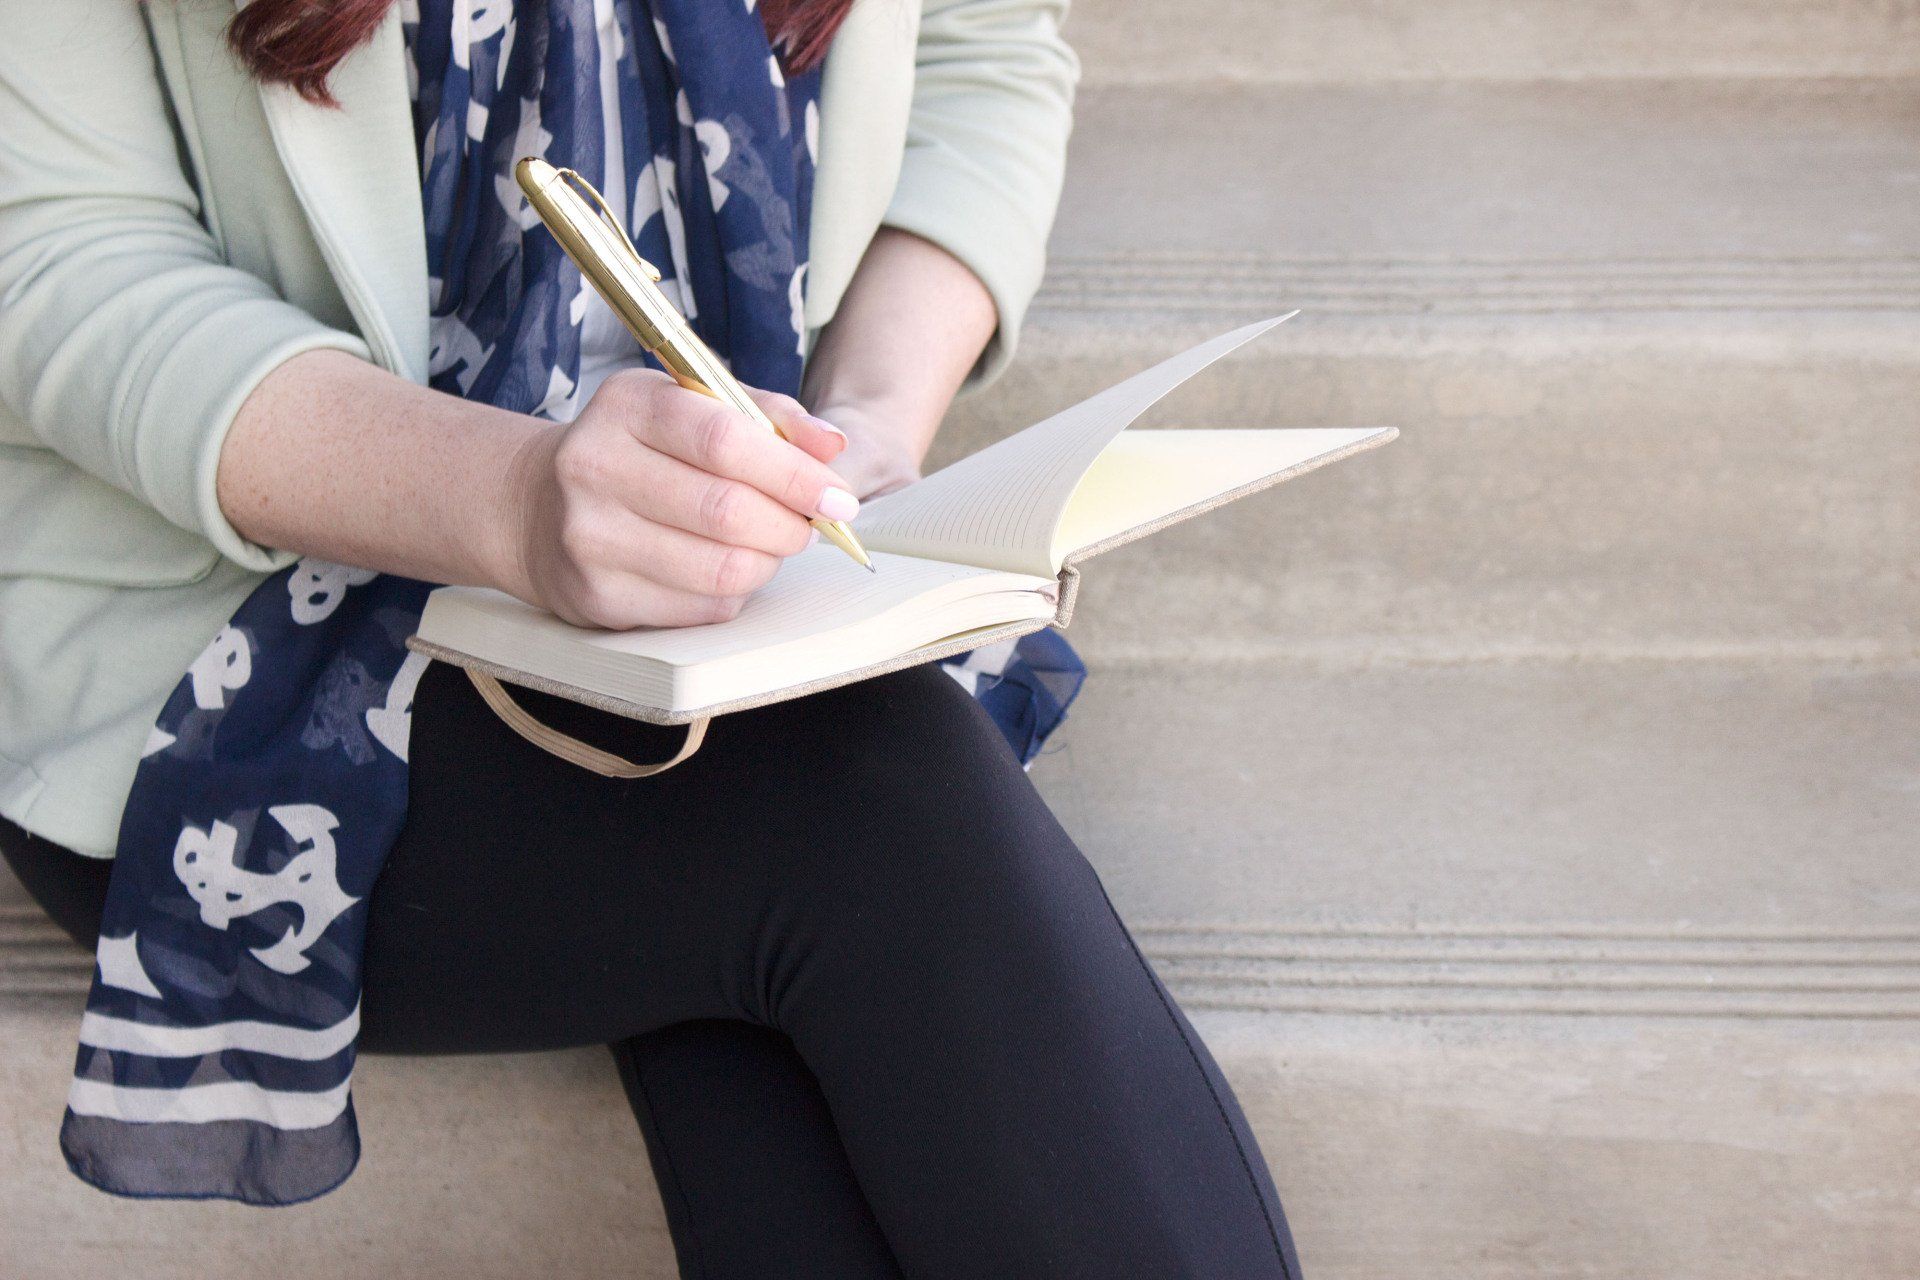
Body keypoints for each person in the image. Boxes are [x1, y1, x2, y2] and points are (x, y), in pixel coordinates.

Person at [0, 0, 1303, 1274]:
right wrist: (512, 500)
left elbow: (984, 49)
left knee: (788, 964)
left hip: (730, 556)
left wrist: (865, 430)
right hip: (256, 611)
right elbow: (62, 255)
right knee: (857, 806)